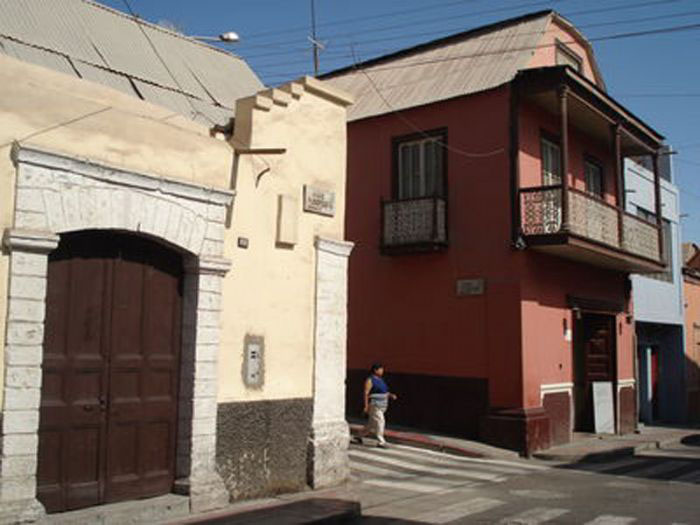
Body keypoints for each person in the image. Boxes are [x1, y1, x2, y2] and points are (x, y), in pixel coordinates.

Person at [353, 363, 397, 448]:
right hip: (374, 404)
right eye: (381, 369)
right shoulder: (370, 380)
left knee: (371, 424)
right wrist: (366, 406)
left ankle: (358, 436)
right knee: (380, 421)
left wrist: (390, 395)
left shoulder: (381, 380)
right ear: (375, 370)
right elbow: (366, 393)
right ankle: (381, 441)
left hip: (383, 404)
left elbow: (384, 391)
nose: (382, 371)